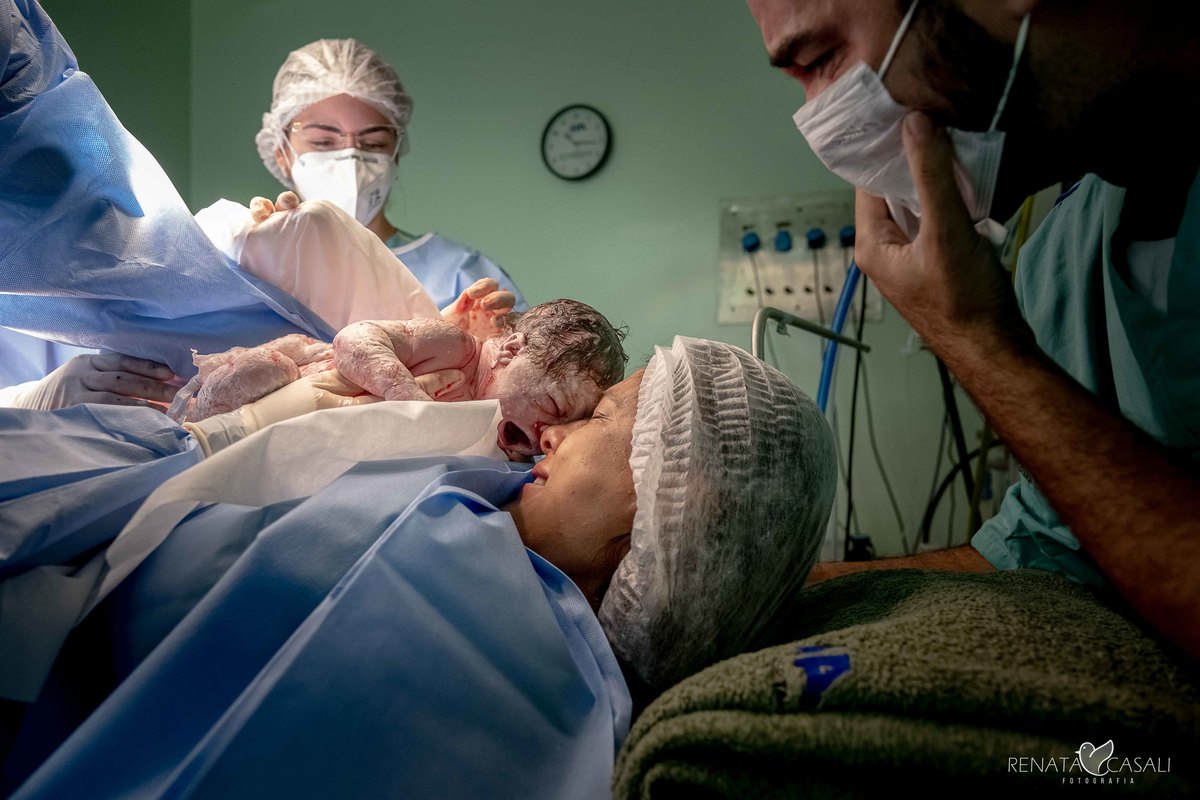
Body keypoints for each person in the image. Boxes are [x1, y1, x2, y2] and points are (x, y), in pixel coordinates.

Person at [4, 337, 838, 797]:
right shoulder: (494, 500)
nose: (552, 433)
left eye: (599, 420)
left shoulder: (504, 654)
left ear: (674, 498)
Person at [745, 0, 1200, 660]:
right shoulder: (1059, 262)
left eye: (820, 60)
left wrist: (977, 342)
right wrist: (768, 602)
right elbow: (1052, 548)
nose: (822, 121)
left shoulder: (1011, 311)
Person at [251, 36, 528, 314]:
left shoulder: (463, 279)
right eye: (323, 142)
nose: (351, 159)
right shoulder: (258, 268)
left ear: (395, 155)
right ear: (282, 155)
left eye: (373, 144)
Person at [182, 297, 629, 460]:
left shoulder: (498, 445)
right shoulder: (456, 349)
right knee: (267, 367)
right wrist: (408, 398)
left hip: (301, 452)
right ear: (511, 351)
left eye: (560, 428)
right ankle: (188, 420)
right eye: (550, 408)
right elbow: (355, 339)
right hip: (288, 386)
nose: (544, 434)